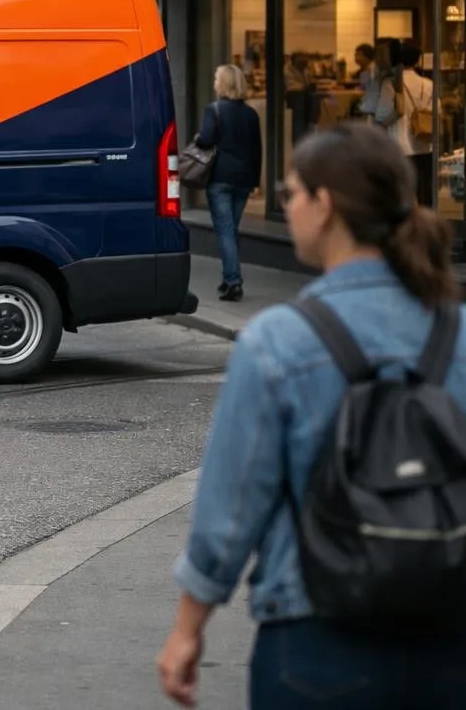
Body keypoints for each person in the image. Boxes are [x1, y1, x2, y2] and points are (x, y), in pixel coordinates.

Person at [157, 122, 466, 709]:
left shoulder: (281, 341)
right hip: (451, 630)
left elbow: (230, 510)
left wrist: (188, 629)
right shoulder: (459, 333)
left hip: (316, 634)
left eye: (291, 193)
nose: (286, 205)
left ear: (324, 207)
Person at [195, 65, 262, 302]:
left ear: (224, 84)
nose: (213, 83)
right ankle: (229, 278)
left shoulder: (214, 110)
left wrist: (198, 139)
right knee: (231, 230)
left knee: (225, 230)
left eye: (216, 79)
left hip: (221, 178)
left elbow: (205, 140)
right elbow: (257, 150)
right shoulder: (251, 114)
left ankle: (233, 281)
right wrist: (255, 181)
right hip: (244, 180)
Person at [390, 43, 435, 209]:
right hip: (424, 143)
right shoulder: (428, 84)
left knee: (403, 190)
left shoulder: (391, 84)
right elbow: (436, 111)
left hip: (398, 143)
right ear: (417, 61)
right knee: (424, 189)